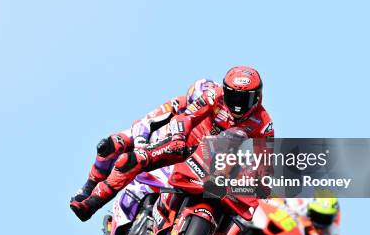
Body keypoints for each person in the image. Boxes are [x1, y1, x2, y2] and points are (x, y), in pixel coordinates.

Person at [71, 65, 274, 222]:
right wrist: (176, 139)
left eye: (244, 99)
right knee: (126, 156)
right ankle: (91, 201)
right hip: (185, 146)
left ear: (258, 97)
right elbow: (185, 118)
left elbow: (264, 163)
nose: (237, 104)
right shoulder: (213, 96)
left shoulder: (264, 124)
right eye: (233, 96)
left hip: (219, 167)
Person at [70, 79, 218, 204]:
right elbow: (145, 122)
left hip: (186, 163)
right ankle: (89, 186)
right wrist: (141, 144)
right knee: (109, 145)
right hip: (154, 144)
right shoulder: (180, 104)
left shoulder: (221, 123)